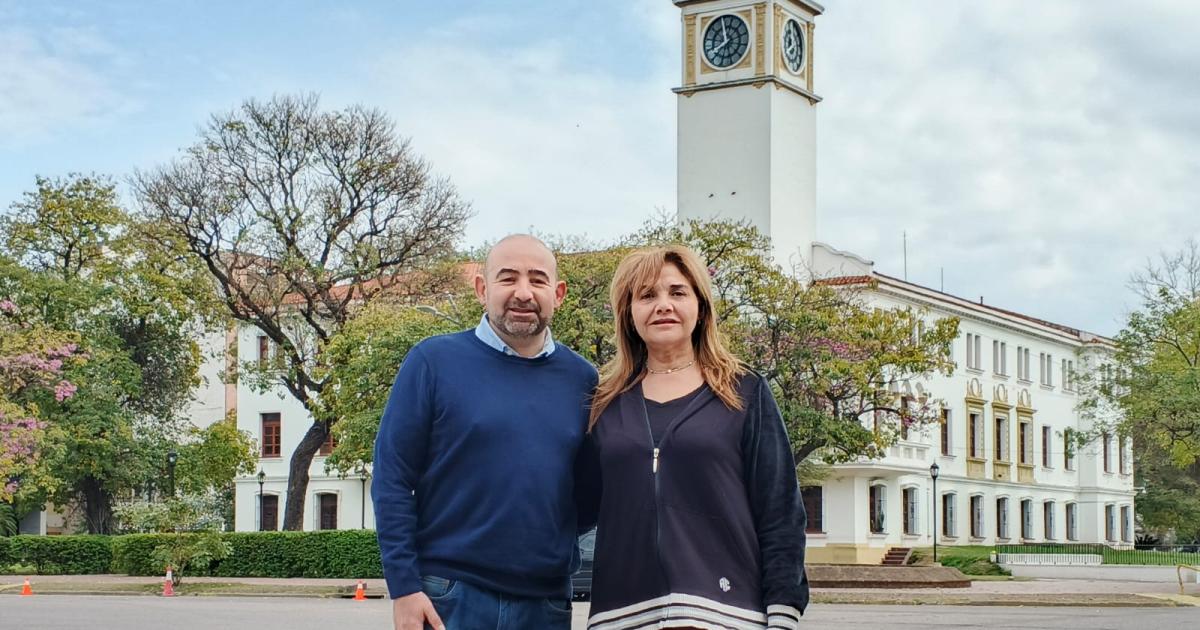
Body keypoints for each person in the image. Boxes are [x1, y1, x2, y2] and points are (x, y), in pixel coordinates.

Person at [373, 234, 597, 630]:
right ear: (482, 288)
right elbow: (392, 479)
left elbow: (587, 495)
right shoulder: (432, 362)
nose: (523, 293)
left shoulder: (583, 379)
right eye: (508, 278)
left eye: (538, 280)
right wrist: (404, 588)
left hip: (545, 605)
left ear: (558, 294)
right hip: (448, 597)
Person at [578, 244, 808, 630]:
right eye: (647, 295)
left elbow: (780, 511)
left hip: (726, 614)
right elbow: (573, 507)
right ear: (628, 312)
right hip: (622, 614)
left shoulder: (744, 391)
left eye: (677, 292)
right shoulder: (603, 403)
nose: (663, 305)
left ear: (700, 306)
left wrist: (783, 612)